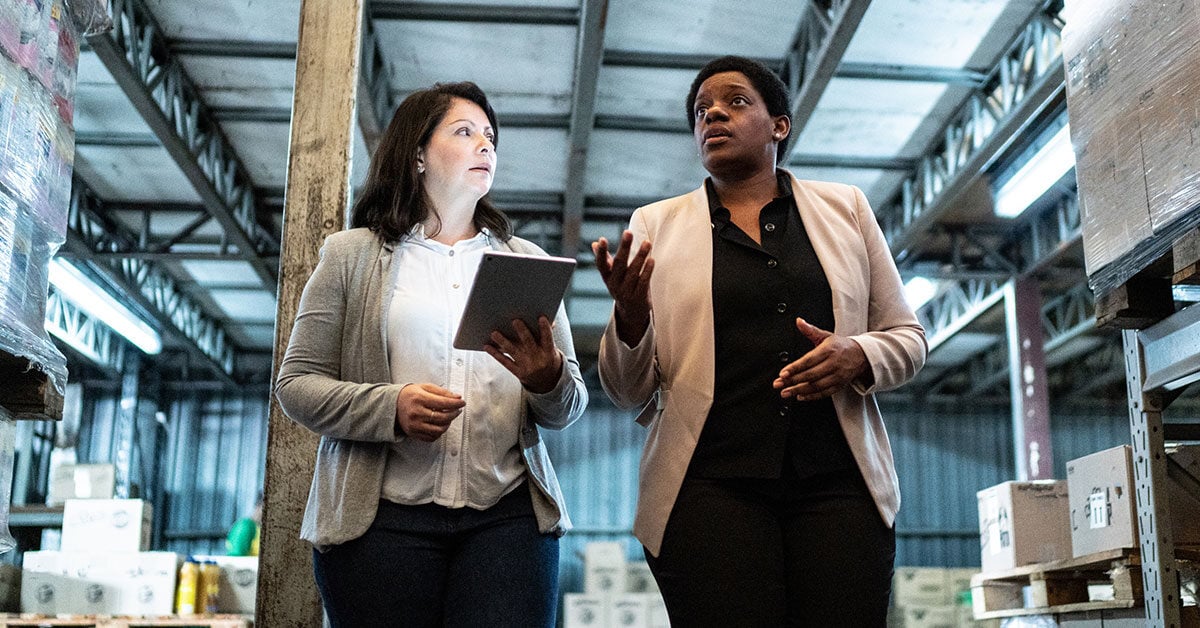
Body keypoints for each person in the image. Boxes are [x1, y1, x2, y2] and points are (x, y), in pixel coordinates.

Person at [594, 56, 928, 626]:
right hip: (707, 489)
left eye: (735, 101)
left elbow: (910, 338)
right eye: (701, 111)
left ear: (780, 125)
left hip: (838, 484)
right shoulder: (655, 226)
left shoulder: (845, 208)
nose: (713, 114)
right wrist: (629, 317)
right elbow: (628, 391)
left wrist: (858, 354)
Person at [274, 82, 588, 628]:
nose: (485, 146)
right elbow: (297, 385)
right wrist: (390, 408)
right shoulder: (351, 256)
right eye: (464, 132)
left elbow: (568, 407)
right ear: (417, 153)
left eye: (490, 137)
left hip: (508, 520)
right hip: (379, 525)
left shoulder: (527, 261)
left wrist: (549, 379)